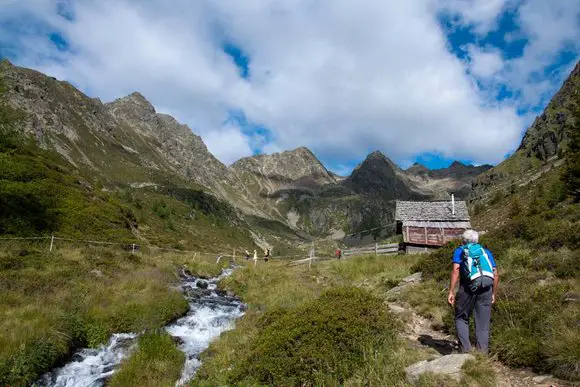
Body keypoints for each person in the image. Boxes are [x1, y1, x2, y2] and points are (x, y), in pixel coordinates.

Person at [448, 229, 499, 354]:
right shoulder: (485, 252)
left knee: (461, 317)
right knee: (482, 324)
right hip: (486, 289)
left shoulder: (460, 251)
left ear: (463, 241)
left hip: (467, 288)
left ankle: (465, 351)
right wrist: (493, 293)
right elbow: (495, 274)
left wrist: (451, 291)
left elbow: (456, 270)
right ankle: (482, 355)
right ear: (477, 240)